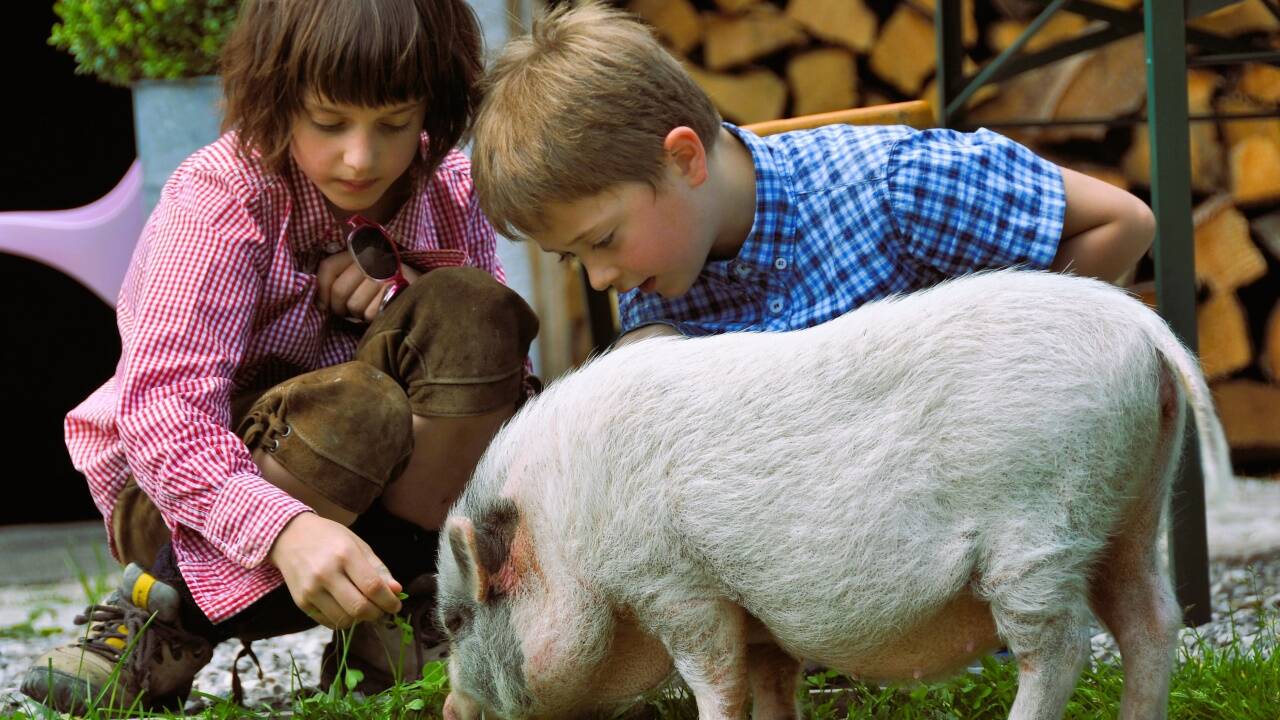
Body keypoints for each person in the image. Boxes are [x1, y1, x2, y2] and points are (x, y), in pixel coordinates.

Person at [21, 0, 538, 713]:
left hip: (378, 524)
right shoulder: (223, 193)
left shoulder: (446, 187)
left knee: (473, 308)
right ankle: (159, 616)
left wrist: (408, 292)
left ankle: (403, 621)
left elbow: (497, 392)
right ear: (278, 96)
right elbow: (164, 415)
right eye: (329, 122)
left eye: (393, 123)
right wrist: (283, 528)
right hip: (186, 511)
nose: (362, 157)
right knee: (359, 406)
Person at [469, 1, 1154, 348]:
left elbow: (1124, 221)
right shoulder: (662, 282)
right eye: (573, 259)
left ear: (684, 159)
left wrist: (995, 366)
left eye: (603, 239)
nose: (599, 279)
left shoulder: (895, 186)